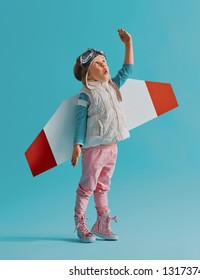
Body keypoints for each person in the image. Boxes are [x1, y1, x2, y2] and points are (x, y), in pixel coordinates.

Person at [71, 29, 134, 243]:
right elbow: (80, 121)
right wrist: (77, 145)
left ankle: (101, 222)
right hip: (94, 149)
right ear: (88, 72)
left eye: (105, 61)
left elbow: (127, 70)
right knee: (87, 187)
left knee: (103, 186)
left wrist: (128, 45)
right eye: (98, 63)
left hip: (112, 148)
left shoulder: (112, 86)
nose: (104, 65)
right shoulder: (85, 94)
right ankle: (80, 222)